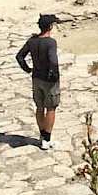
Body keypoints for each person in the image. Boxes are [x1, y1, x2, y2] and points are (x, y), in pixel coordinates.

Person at [16, 14, 61, 150]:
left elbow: (19, 56)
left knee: (40, 107)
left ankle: (42, 136)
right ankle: (47, 139)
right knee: (51, 108)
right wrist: (55, 75)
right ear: (50, 27)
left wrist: (27, 69)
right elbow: (52, 60)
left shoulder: (32, 41)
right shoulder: (51, 43)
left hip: (36, 78)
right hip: (49, 80)